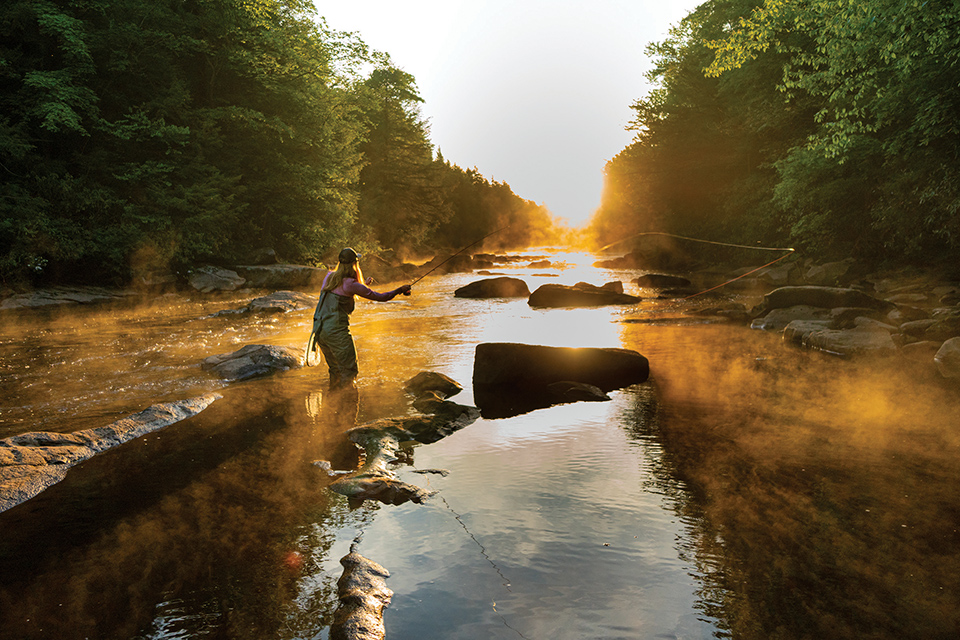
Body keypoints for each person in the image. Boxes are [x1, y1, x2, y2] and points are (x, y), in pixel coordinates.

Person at [307, 248, 411, 389]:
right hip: (337, 334)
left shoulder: (329, 276)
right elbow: (381, 297)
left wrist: (363, 285)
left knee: (335, 370)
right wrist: (400, 290)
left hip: (320, 332)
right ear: (355, 264)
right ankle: (347, 402)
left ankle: (332, 404)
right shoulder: (351, 285)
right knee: (349, 371)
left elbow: (343, 289)